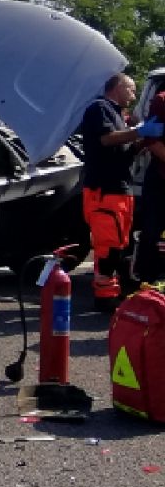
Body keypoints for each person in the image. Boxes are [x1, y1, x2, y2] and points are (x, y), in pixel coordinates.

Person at [78, 72, 157, 311]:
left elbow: (122, 151)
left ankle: (117, 289)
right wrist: (140, 131)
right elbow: (106, 140)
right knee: (108, 247)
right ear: (117, 87)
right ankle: (104, 297)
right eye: (131, 90)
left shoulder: (117, 114)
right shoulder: (100, 108)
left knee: (120, 243)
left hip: (120, 188)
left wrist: (142, 142)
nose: (134, 96)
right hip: (104, 190)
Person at [132, 91, 165, 288]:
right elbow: (152, 141)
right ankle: (149, 283)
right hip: (161, 178)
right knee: (153, 230)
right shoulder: (162, 100)